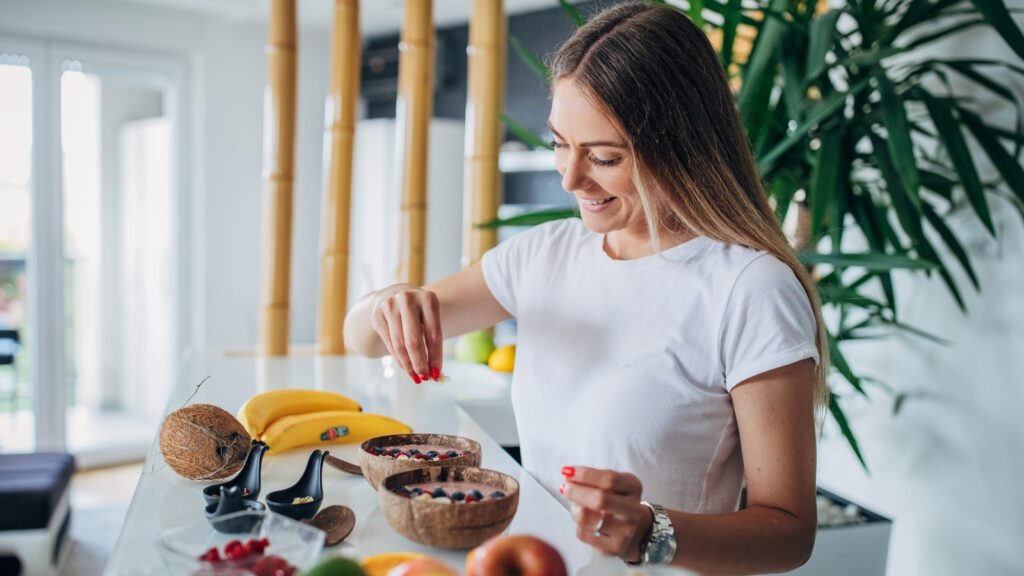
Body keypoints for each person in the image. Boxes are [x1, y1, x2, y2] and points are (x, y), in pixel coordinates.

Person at [345, 2, 829, 573]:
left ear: (680, 147)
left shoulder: (749, 289)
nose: (569, 178)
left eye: (603, 156)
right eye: (558, 143)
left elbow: (789, 533)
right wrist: (394, 299)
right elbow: (363, 338)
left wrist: (650, 530)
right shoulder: (543, 255)